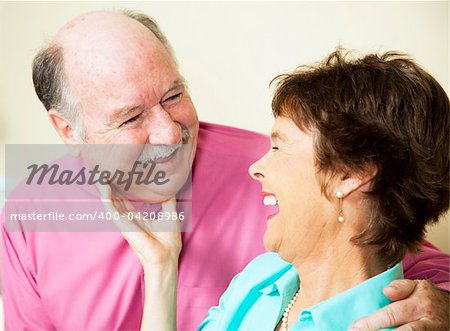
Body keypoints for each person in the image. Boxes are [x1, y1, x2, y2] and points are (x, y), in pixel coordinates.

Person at [1, 10, 449, 331]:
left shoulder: (279, 170)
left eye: (173, 95)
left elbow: (390, 235)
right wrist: (162, 271)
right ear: (67, 129)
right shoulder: (29, 210)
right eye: (131, 118)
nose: (167, 134)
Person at [107, 48, 450, 330]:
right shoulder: (264, 279)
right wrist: (160, 265)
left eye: (279, 147)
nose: (256, 168)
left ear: (351, 174)